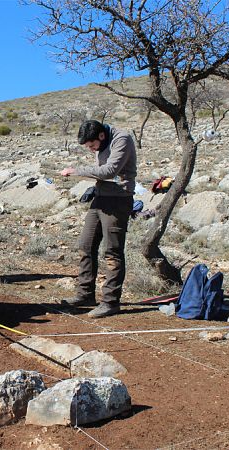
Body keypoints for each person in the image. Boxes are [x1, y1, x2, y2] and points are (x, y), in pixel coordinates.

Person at [59, 120, 137, 318]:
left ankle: (110, 302)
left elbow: (110, 171)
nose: (91, 149)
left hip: (118, 200)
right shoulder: (101, 142)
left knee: (112, 252)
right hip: (100, 197)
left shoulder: (122, 139)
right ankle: (85, 294)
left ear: (101, 136)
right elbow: (101, 172)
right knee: (86, 245)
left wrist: (77, 171)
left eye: (92, 145)